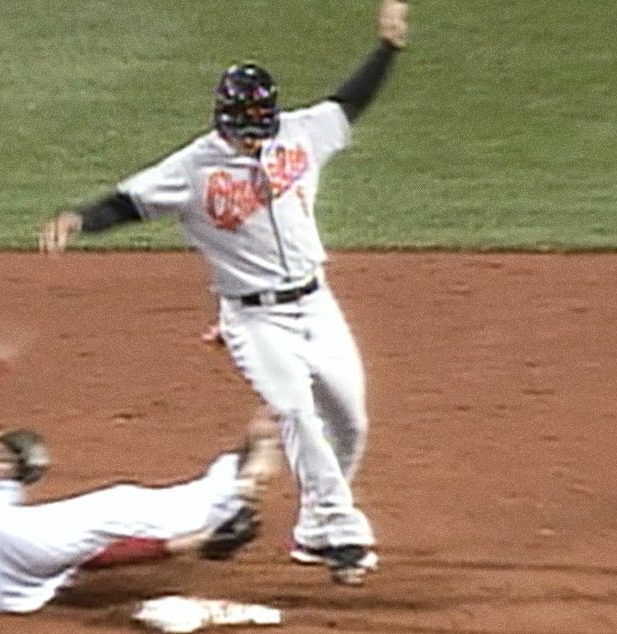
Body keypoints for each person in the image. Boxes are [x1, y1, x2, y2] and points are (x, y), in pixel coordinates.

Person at [37, 1, 409, 585]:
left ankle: (314, 529)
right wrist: (80, 220)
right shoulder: (193, 167)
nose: (251, 142)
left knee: (350, 422)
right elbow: (128, 203)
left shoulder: (300, 134)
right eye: (243, 131)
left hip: (317, 302)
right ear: (223, 120)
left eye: (259, 130)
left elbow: (350, 102)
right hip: (254, 320)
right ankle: (343, 533)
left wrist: (387, 48)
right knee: (296, 416)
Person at [0, 325, 283, 614]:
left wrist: (185, 544)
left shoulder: (5, 503)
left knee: (114, 507)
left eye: (8, 467)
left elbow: (87, 553)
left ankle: (239, 480)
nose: (0, 461)